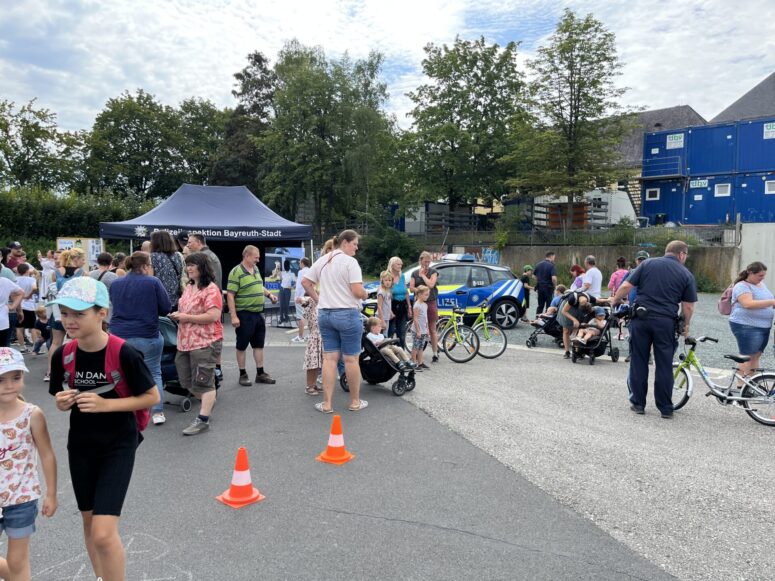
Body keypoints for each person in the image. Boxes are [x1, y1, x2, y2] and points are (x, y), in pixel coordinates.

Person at [48, 277, 159, 581]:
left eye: (79, 314)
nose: (69, 321)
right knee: (89, 523)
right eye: (64, 313)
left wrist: (106, 404)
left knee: (104, 533)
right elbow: (59, 395)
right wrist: (62, 403)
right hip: (81, 444)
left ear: (103, 313)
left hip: (118, 444)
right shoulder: (63, 355)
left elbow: (152, 397)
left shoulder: (125, 353)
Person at [612, 240, 697, 418]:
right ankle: (665, 408)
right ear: (681, 254)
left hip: (641, 319)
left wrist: (615, 301)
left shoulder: (647, 264)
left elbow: (627, 286)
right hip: (666, 323)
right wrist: (685, 325)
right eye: (685, 255)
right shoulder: (686, 273)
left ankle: (638, 403)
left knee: (639, 360)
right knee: (664, 364)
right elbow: (688, 306)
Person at [0, 347, 58, 581]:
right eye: (1, 379)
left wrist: (51, 494)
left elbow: (47, 454)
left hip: (21, 498)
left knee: (17, 561)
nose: (10, 385)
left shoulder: (32, 414)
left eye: (16, 377)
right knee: (12, 569)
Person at [302, 229, 369, 413]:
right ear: (345, 242)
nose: (356, 248)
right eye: (355, 244)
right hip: (347, 313)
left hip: (325, 313)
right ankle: (355, 402)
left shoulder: (323, 260)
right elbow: (356, 290)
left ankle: (327, 404)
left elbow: (306, 283)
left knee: (329, 359)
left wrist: (318, 299)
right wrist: (365, 293)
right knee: (351, 360)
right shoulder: (350, 262)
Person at [109, 252, 171, 426]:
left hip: (119, 336)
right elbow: (165, 308)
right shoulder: (153, 282)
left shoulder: (116, 283)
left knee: (121, 373)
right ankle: (157, 412)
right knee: (154, 372)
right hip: (147, 334)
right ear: (145, 266)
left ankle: (124, 408)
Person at [169, 253, 223, 436]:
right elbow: (186, 309)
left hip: (205, 341)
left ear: (202, 267)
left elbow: (213, 316)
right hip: (185, 341)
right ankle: (209, 401)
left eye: (193, 265)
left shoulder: (211, 289)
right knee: (186, 382)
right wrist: (178, 314)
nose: (189, 268)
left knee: (204, 383)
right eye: (187, 265)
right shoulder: (189, 287)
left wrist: (185, 317)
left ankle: (203, 420)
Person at [226, 246, 279, 387]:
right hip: (244, 314)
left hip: (257, 313)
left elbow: (259, 286)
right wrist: (233, 316)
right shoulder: (236, 272)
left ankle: (260, 373)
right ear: (247, 256)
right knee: (242, 346)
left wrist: (269, 295)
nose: (258, 259)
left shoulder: (255, 269)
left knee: (259, 345)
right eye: (256, 257)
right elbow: (230, 295)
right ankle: (242, 374)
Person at [727, 262, 775, 381]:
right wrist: (772, 302)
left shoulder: (760, 284)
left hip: (763, 326)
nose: (762, 278)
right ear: (750, 273)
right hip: (746, 326)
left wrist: (771, 304)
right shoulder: (742, 286)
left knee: (756, 356)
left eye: (763, 275)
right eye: (760, 275)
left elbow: (764, 300)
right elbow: (747, 304)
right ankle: (741, 386)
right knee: (746, 356)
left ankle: (752, 383)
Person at [46, 248, 86, 381]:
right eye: (82, 259)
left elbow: (53, 289)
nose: (84, 262)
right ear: (76, 259)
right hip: (76, 311)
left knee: (56, 343)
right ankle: (74, 371)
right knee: (77, 342)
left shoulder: (56, 272)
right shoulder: (83, 274)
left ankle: (51, 372)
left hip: (59, 311)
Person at [409, 251, 440, 362]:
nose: (427, 263)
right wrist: (421, 292)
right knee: (418, 325)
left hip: (430, 302)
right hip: (419, 303)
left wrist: (422, 275)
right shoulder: (414, 273)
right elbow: (411, 288)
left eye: (428, 261)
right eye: (425, 261)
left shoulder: (433, 272)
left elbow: (431, 285)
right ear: (420, 260)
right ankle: (417, 353)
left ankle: (435, 353)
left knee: (432, 329)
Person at [150, 230, 184, 310]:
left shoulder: (153, 257)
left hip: (159, 299)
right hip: (176, 299)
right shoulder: (178, 256)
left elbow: (150, 277)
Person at [557, 290, 594, 358]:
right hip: (567, 309)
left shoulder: (589, 298)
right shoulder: (572, 299)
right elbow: (564, 311)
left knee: (579, 329)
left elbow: (599, 300)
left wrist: (608, 300)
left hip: (580, 310)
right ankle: (567, 351)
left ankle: (577, 352)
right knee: (566, 330)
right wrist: (574, 320)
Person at [387, 256, 412, 350]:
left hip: (402, 306)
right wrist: (389, 310)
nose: (400, 265)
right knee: (390, 331)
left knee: (401, 333)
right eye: (398, 264)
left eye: (401, 264)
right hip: (391, 305)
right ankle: (387, 354)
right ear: (392, 265)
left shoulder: (402, 276)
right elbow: (386, 294)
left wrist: (409, 306)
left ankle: (401, 354)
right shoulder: (387, 276)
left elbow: (406, 292)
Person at [301, 296, 322, 396]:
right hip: (314, 338)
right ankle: (309, 385)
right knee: (312, 364)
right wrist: (307, 300)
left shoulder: (320, 305)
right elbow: (303, 301)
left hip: (321, 337)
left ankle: (313, 384)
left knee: (318, 363)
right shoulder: (310, 305)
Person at [14, 263, 37, 352]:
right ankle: (35, 347)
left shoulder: (15, 280)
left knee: (19, 328)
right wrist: (28, 295)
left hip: (19, 305)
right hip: (29, 305)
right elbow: (34, 288)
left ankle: (22, 347)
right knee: (32, 327)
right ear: (27, 270)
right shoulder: (31, 279)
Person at [411, 285, 431, 370]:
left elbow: (425, 318)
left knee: (421, 347)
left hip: (423, 330)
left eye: (428, 294)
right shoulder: (417, 305)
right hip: (417, 330)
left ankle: (420, 362)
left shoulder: (425, 305)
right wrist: (418, 331)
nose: (427, 296)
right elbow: (415, 319)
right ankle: (413, 363)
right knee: (415, 347)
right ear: (419, 294)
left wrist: (427, 329)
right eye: (426, 294)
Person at [0, 276, 23, 348]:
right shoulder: (5, 281)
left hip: (3, 320)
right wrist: (13, 306)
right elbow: (21, 292)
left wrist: (13, 306)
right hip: (2, 321)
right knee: (3, 350)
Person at [293, 257, 311, 343]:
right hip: (309, 297)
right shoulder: (311, 271)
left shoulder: (301, 272)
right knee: (310, 316)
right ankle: (310, 335)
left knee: (301, 317)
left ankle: (300, 337)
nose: (299, 264)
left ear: (303, 263)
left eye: (300, 263)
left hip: (301, 297)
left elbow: (299, 286)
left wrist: (297, 297)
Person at [279, 259, 296, 324]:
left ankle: (286, 317)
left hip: (287, 290)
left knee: (286, 305)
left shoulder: (292, 274)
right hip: (281, 289)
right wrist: (279, 274)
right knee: (281, 305)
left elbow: (295, 283)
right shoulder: (282, 273)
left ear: (288, 265)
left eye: (286, 265)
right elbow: (281, 280)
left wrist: (291, 287)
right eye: (284, 265)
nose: (285, 266)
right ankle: (281, 318)